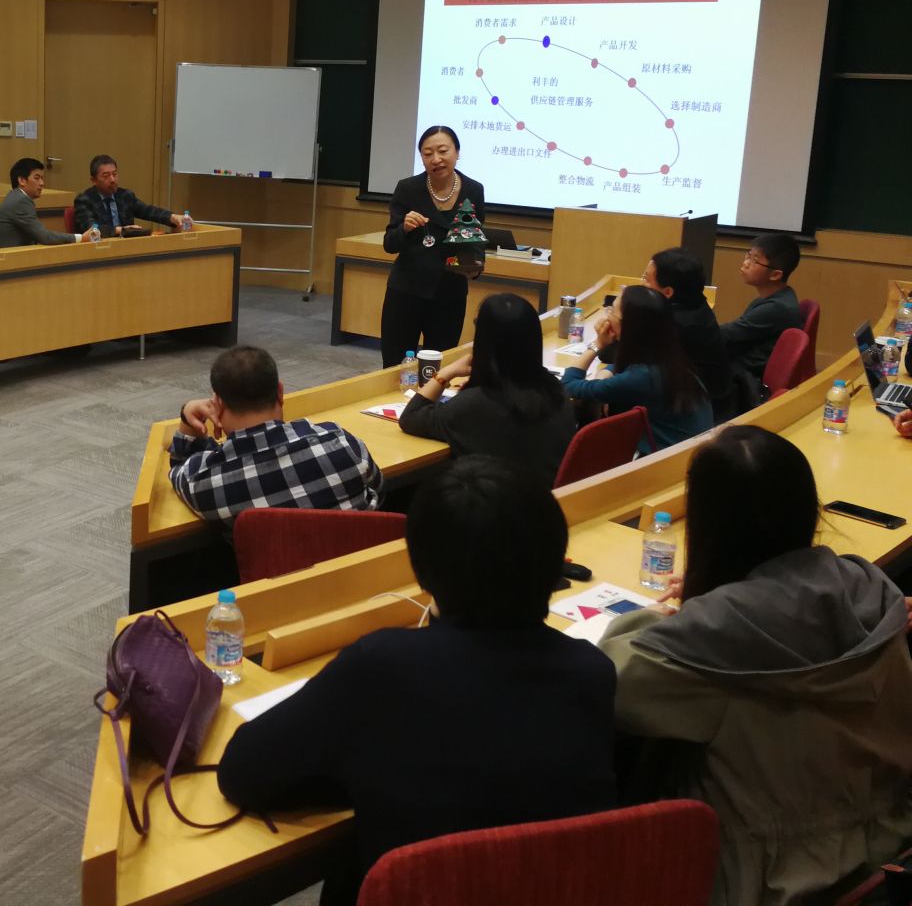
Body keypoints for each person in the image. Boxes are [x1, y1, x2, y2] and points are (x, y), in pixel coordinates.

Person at [218, 457, 616, 906]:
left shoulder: (380, 666)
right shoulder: (593, 672)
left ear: (421, 568)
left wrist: (350, 767)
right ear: (556, 558)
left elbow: (243, 774)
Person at [601, 427, 912, 906]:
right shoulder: (870, 592)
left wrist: (678, 614)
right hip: (888, 846)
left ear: (708, 527)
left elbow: (606, 680)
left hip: (770, 880)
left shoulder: (711, 643)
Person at [170, 345, 382, 528]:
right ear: (280, 392)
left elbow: (180, 467)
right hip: (362, 563)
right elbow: (379, 490)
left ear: (218, 404)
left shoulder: (205, 482)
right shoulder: (342, 442)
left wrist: (187, 415)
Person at [399, 294, 575, 486]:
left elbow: (411, 417)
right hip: (547, 501)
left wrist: (446, 372)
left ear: (483, 340)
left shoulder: (474, 404)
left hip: (498, 503)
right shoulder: (557, 392)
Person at [379, 126, 488, 368]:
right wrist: (404, 228)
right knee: (395, 365)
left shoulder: (473, 190)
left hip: (449, 293)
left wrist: (474, 266)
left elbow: (475, 241)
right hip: (406, 290)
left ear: (457, 152)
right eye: (428, 154)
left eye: (443, 151)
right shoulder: (408, 188)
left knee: (439, 366)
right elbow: (389, 243)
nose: (436, 159)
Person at [561, 284, 712, 453]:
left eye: (611, 311)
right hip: (687, 453)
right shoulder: (670, 359)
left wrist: (598, 344)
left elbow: (568, 384)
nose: (607, 316)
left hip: (667, 462)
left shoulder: (643, 377)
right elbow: (623, 368)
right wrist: (606, 372)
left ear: (629, 326)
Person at [597, 248, 734, 423]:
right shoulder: (695, 303)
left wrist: (603, 343)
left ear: (668, 292)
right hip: (701, 399)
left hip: (696, 413)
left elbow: (623, 356)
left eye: (647, 279)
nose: (641, 283)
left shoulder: (674, 323)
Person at [720, 232, 803, 409]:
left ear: (775, 275)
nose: (745, 263)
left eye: (754, 260)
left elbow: (725, 336)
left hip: (745, 383)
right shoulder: (774, 299)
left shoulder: (776, 308)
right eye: (748, 255)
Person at [0, 158, 93, 248]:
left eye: (42, 179)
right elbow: (45, 237)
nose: (42, 183)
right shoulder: (21, 201)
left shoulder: (15, 196)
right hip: (11, 258)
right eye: (37, 178)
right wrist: (81, 238)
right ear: (22, 180)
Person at [72, 155, 185, 236]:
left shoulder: (125, 196)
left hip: (127, 248)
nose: (112, 180)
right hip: (99, 250)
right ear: (94, 180)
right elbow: (92, 229)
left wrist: (173, 217)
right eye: (106, 176)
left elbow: (148, 211)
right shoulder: (84, 200)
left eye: (115, 174)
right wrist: (121, 230)